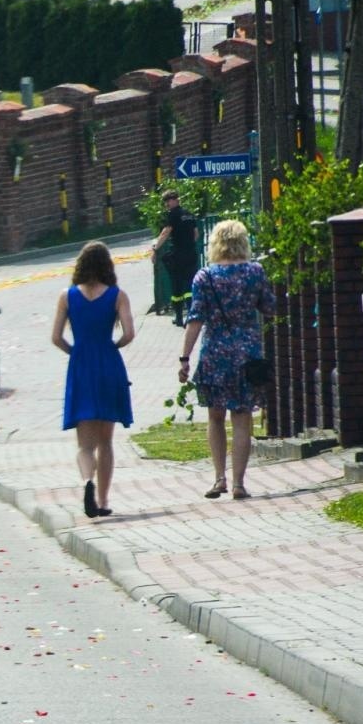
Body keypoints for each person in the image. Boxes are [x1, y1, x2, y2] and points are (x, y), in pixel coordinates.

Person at [178, 219, 276, 501]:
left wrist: (185, 358)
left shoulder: (204, 277)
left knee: (215, 416)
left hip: (215, 354)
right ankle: (239, 484)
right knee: (242, 418)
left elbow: (195, 320)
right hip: (247, 354)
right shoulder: (254, 272)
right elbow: (270, 308)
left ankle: (219, 477)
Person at [52, 241, 136, 518]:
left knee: (85, 444)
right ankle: (102, 500)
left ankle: (87, 481)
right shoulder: (117, 295)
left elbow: (56, 337)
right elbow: (128, 334)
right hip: (109, 364)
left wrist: (74, 352)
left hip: (81, 366)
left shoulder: (67, 296)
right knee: (106, 441)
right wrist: (113, 347)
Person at [152, 188, 200, 326]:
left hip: (178, 255)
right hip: (191, 254)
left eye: (167, 201)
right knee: (190, 285)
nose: (166, 204)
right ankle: (190, 316)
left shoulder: (172, 215)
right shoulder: (189, 214)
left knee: (177, 286)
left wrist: (156, 248)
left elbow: (165, 233)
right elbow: (196, 234)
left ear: (174, 200)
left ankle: (179, 317)